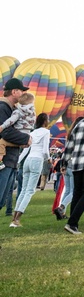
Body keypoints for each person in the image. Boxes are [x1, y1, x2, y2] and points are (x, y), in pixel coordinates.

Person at [9, 113, 52, 227]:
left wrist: (18, 161)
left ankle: (14, 217)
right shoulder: (46, 132)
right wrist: (48, 159)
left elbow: (25, 151)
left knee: (23, 190)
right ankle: (17, 219)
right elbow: (45, 150)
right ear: (45, 121)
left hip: (27, 160)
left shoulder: (32, 133)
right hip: (37, 161)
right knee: (30, 191)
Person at [0, 78, 30, 216]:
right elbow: (6, 132)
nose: (24, 93)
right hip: (4, 159)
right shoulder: (3, 107)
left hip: (11, 159)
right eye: (22, 91)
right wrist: (26, 138)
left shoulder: (13, 110)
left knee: (2, 200)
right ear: (14, 91)